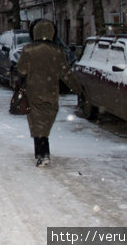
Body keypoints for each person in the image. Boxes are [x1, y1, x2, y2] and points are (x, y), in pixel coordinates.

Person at [16, 19, 81, 167]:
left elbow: (21, 70)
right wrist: (77, 89)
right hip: (51, 91)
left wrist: (22, 76)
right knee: (45, 122)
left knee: (36, 123)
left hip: (33, 91)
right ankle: (43, 152)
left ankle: (42, 153)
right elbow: (66, 73)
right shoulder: (58, 51)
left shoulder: (28, 49)